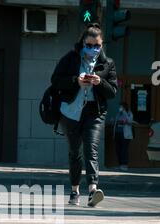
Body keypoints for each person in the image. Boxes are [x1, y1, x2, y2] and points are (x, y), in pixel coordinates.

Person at [51, 23, 118, 207]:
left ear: (102, 44)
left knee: (91, 149)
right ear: (82, 43)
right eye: (89, 45)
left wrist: (100, 82)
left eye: (97, 46)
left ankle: (93, 190)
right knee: (75, 152)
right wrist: (76, 81)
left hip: (94, 112)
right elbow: (55, 81)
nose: (93, 49)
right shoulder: (70, 59)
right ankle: (74, 191)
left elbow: (112, 91)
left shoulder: (107, 63)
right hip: (71, 112)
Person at [114, 102, 133, 171]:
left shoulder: (129, 113)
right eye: (120, 107)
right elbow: (116, 122)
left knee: (124, 150)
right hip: (117, 133)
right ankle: (120, 165)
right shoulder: (118, 114)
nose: (120, 108)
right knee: (118, 149)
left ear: (124, 107)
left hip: (125, 135)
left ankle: (124, 165)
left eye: (121, 107)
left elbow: (130, 121)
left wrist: (124, 112)